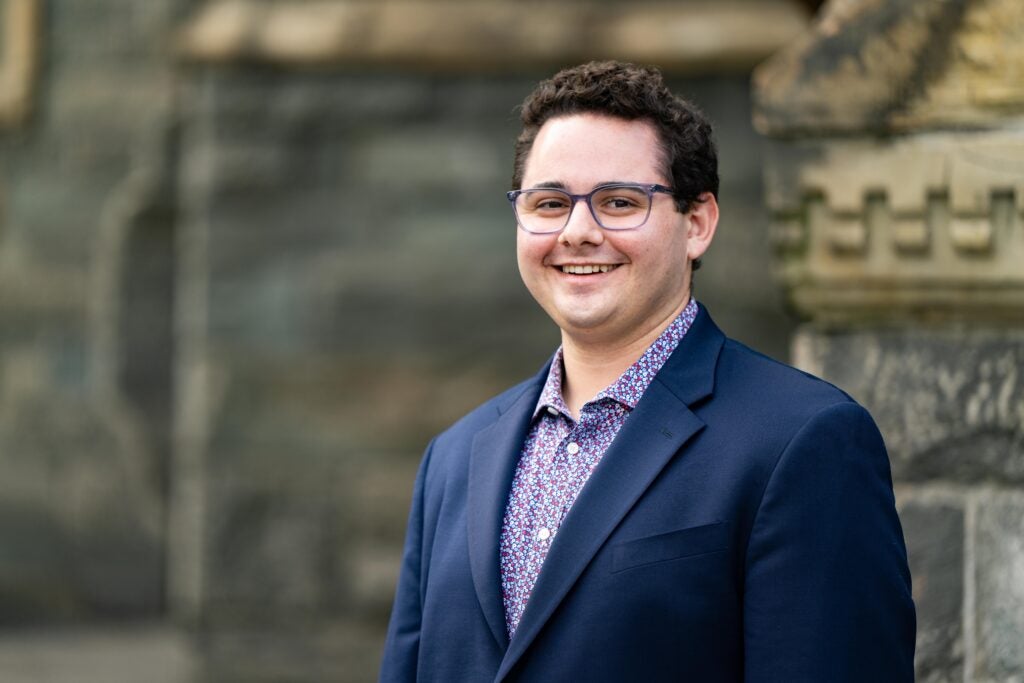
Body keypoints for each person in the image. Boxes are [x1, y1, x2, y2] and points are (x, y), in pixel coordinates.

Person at [380, 61, 915, 682]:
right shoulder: (453, 458)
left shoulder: (805, 442)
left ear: (697, 224)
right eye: (549, 203)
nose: (578, 232)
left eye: (619, 202)